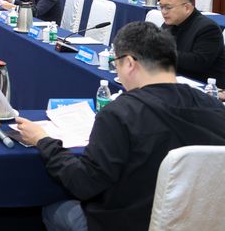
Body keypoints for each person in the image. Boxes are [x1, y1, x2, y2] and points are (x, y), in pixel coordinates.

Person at [16, 22, 225, 231]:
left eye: (116, 64)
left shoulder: (120, 113)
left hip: (124, 221)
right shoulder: (215, 107)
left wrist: (43, 140)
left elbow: (83, 184)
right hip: (203, 222)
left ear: (129, 63)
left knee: (54, 210)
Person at [160, 0, 225, 86]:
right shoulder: (169, 24)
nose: (163, 12)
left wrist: (162, 53)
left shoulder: (208, 28)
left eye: (168, 7)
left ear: (187, 8)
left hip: (204, 86)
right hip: (177, 80)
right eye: (161, 7)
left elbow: (198, 62)